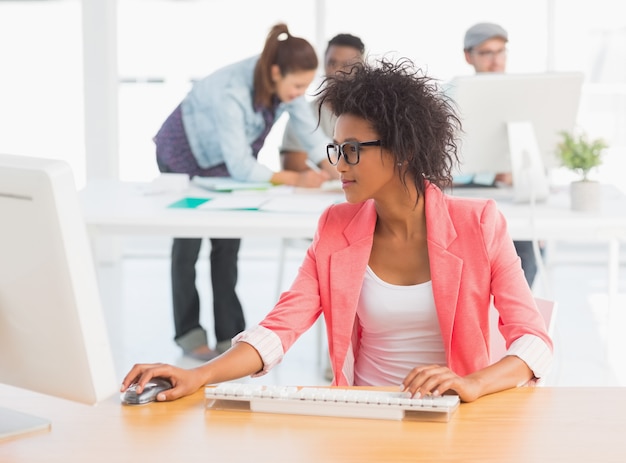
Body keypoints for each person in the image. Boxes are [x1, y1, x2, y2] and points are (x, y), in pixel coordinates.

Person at [122, 57, 553, 404]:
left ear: (403, 150)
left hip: (454, 417)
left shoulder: (479, 223)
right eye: (336, 149)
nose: (338, 165)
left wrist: (474, 383)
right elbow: (279, 329)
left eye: (351, 151)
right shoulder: (336, 226)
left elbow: (533, 341)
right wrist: (199, 376)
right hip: (364, 413)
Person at [152, 23, 334, 362]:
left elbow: (308, 131)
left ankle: (228, 336)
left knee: (227, 242)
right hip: (182, 154)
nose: (299, 92)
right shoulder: (231, 91)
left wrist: (334, 163)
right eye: (297, 85)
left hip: (224, 162)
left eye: (305, 86)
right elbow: (241, 166)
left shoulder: (284, 82)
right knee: (188, 244)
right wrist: (296, 178)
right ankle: (189, 334)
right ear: (277, 73)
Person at [462, 22, 540, 288]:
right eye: (487, 53)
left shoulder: (522, 96)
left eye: (501, 51)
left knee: (528, 259)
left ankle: (515, 327)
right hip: (471, 201)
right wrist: (490, 173)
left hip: (513, 199)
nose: (496, 60)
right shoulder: (454, 97)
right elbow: (446, 163)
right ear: (468, 56)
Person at [279, 33, 366, 172]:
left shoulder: (373, 115)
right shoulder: (303, 114)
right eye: (332, 63)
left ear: (361, 69)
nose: (337, 71)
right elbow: (293, 165)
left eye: (347, 65)